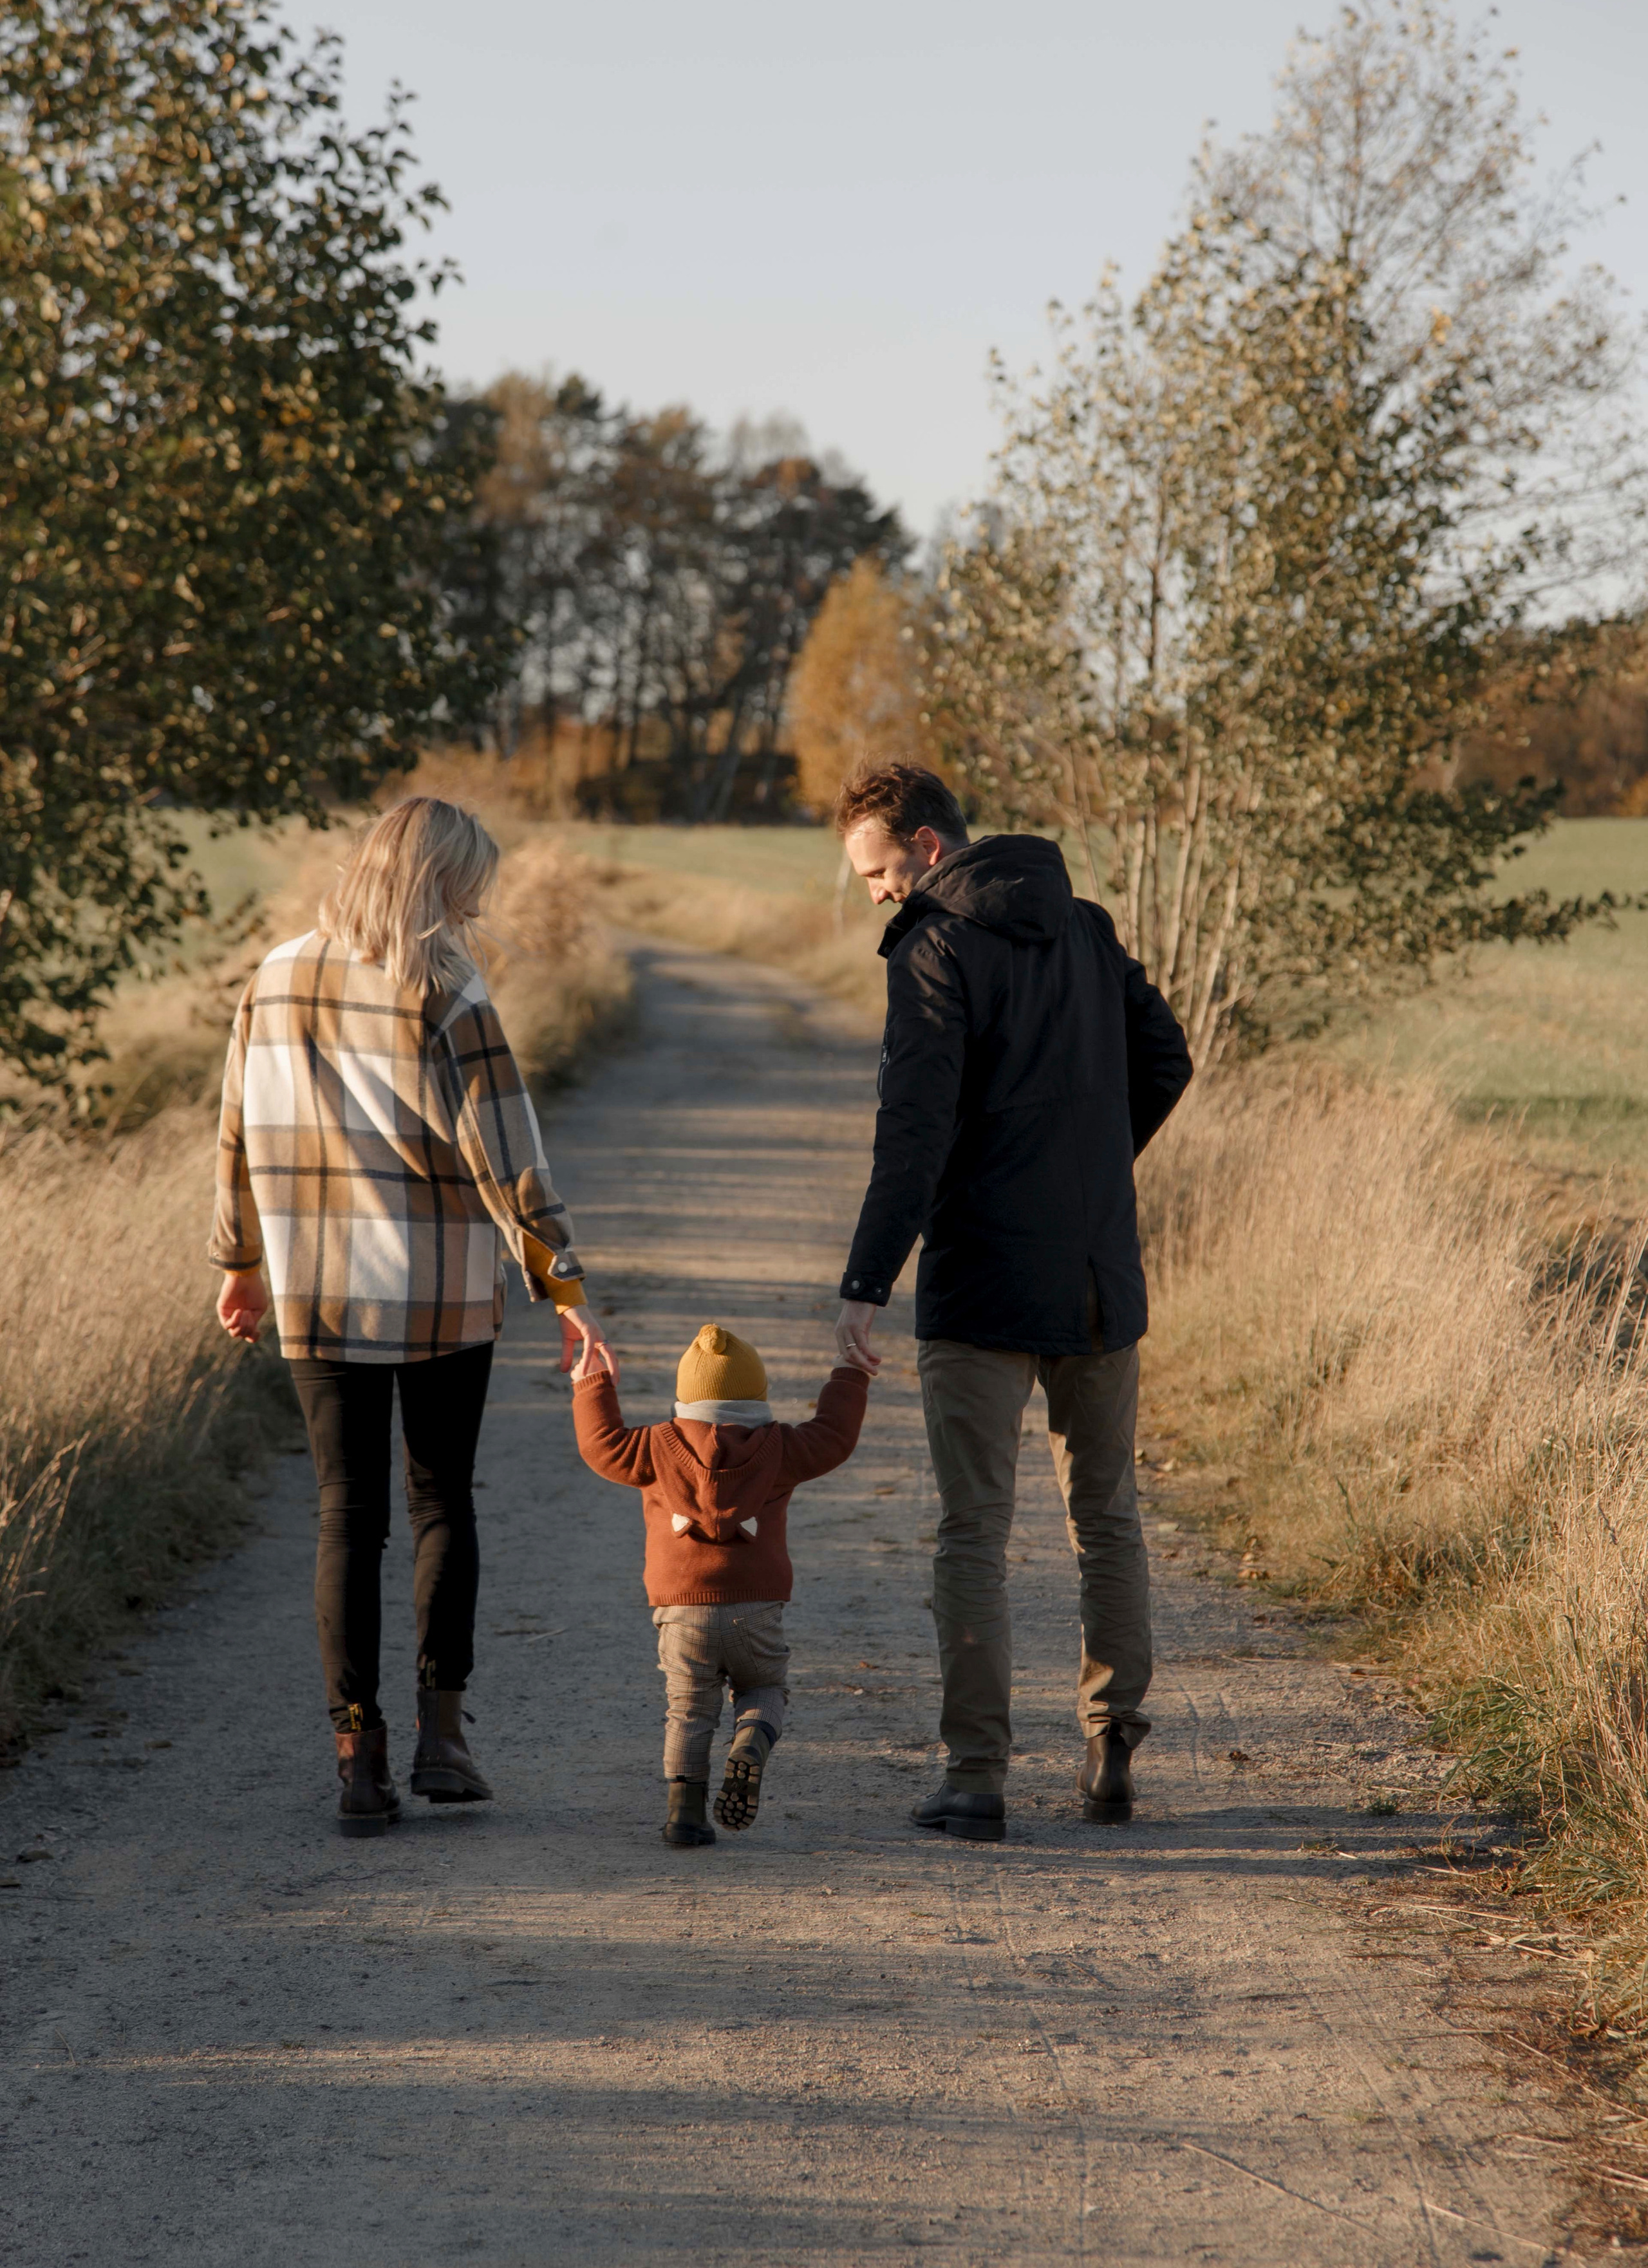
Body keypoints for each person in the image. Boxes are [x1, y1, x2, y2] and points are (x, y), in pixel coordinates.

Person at [209, 796, 614, 1837]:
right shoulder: (446, 985)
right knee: (440, 1499)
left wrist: (243, 1261)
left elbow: (235, 1128)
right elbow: (505, 1151)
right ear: (437, 881)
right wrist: (562, 1281)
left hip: (316, 1285)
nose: (475, 902)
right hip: (438, 1287)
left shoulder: (276, 973)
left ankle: (357, 1758)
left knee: (347, 1511)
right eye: (467, 883)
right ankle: (443, 1738)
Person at [832, 763, 1193, 1842]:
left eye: (880, 870)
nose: (875, 895)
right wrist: (1085, 1166)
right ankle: (1110, 1749)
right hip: (1094, 1272)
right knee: (1108, 1518)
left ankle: (977, 1775)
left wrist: (865, 1282)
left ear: (930, 849)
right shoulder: (1084, 927)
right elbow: (1166, 1057)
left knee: (973, 1532)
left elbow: (916, 1131)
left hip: (982, 1277)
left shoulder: (935, 946)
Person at [570, 1321, 868, 1847]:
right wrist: (850, 1372)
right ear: (757, 1395)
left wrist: (593, 1383)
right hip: (757, 1604)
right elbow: (834, 1437)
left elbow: (602, 1446)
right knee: (765, 1686)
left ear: (686, 1398)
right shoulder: (782, 1446)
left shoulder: (655, 1445)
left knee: (688, 1708)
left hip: (682, 1607)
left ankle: (684, 1815)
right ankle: (751, 1737)